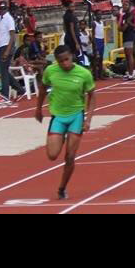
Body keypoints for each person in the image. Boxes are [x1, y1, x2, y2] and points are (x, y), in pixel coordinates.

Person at [36, 45, 96, 200]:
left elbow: (92, 96)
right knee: (52, 155)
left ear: (72, 57)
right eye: (61, 61)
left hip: (76, 116)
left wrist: (88, 119)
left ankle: (62, 188)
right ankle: (61, 136)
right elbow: (42, 89)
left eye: (67, 59)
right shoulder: (50, 71)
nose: (64, 63)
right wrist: (38, 109)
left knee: (70, 157)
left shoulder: (84, 74)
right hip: (58, 116)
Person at [0, 0, 21, 101]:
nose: (2, 10)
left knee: (3, 71)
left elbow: (12, 36)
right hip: (1, 46)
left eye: (4, 8)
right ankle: (20, 89)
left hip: (8, 46)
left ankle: (5, 94)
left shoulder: (9, 19)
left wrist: (7, 51)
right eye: (1, 8)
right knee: (4, 71)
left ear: (7, 8)